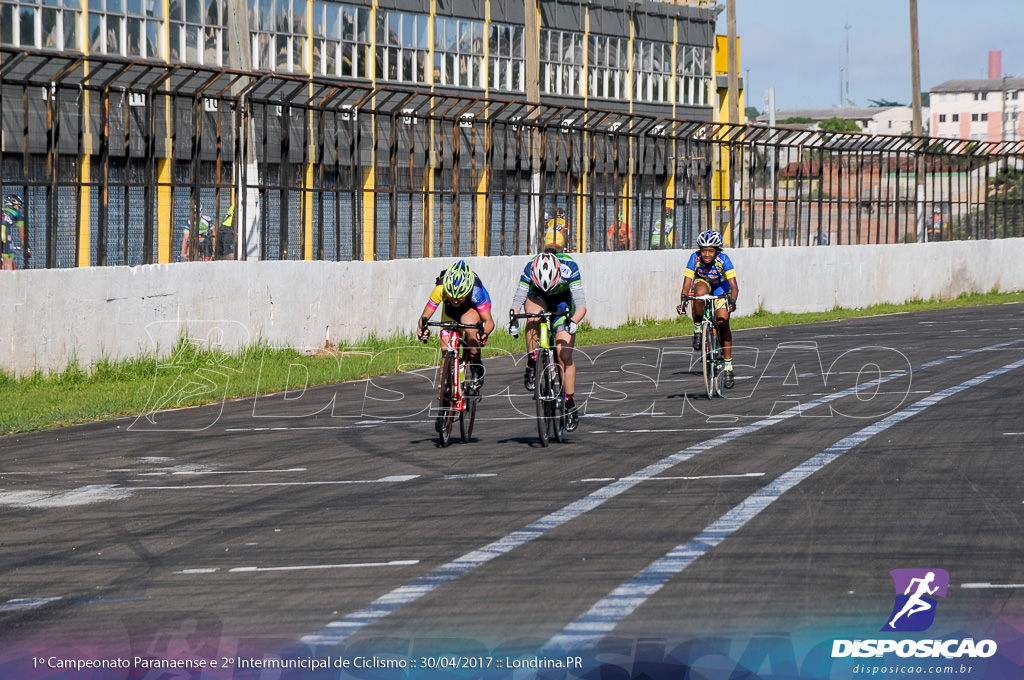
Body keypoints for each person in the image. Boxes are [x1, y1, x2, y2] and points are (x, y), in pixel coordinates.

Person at [508, 251, 587, 431]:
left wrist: (574, 322)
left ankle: (569, 403)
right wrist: (512, 318)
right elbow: (518, 300)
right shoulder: (530, 268)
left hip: (562, 302)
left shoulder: (570, 268)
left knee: (564, 355)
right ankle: (532, 361)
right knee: (533, 317)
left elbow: (581, 303)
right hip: (538, 297)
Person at [416, 260, 496, 404]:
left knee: (469, 326)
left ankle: (476, 365)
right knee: (445, 349)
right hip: (450, 313)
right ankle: (445, 394)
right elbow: (424, 318)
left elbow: (489, 322)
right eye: (452, 297)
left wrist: (484, 334)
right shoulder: (440, 289)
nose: (456, 300)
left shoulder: (475, 290)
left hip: (471, 308)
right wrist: (423, 329)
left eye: (459, 297)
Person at [676, 229, 740, 389]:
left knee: (723, 322)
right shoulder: (695, 258)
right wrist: (683, 301)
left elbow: (734, 286)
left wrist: (732, 301)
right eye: (704, 250)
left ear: (717, 251)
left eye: (710, 250)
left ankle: (728, 366)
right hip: (703, 283)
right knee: (698, 293)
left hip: (721, 288)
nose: (706, 254)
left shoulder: (723, 259)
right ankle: (698, 328)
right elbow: (686, 285)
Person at [1, 195, 30, 270]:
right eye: (18, 206)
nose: (18, 208)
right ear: (15, 205)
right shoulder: (18, 213)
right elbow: (22, 234)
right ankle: (8, 280)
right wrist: (26, 247)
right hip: (4, 233)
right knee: (8, 264)